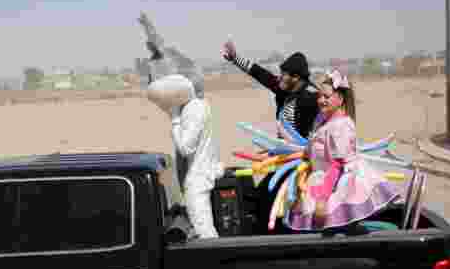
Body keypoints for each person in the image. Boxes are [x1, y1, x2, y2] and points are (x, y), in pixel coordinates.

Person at [278, 69, 402, 232]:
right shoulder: (323, 120)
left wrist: (322, 199)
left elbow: (337, 165)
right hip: (321, 180)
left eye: (326, 96)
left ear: (340, 99)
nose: (321, 100)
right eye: (319, 96)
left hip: (336, 184)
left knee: (335, 227)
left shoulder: (340, 126)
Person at [221, 41, 321, 230]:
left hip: (300, 164)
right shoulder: (284, 90)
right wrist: (235, 58)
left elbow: (324, 122)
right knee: (263, 197)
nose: (280, 77)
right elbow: (261, 74)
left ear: (296, 77)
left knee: (276, 202)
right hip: (283, 160)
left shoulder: (310, 99)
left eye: (284, 74)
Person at [145, 73, 224, 239]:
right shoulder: (202, 106)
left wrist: (174, 119)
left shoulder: (193, 109)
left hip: (198, 178)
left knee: (203, 231)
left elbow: (185, 148)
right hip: (204, 172)